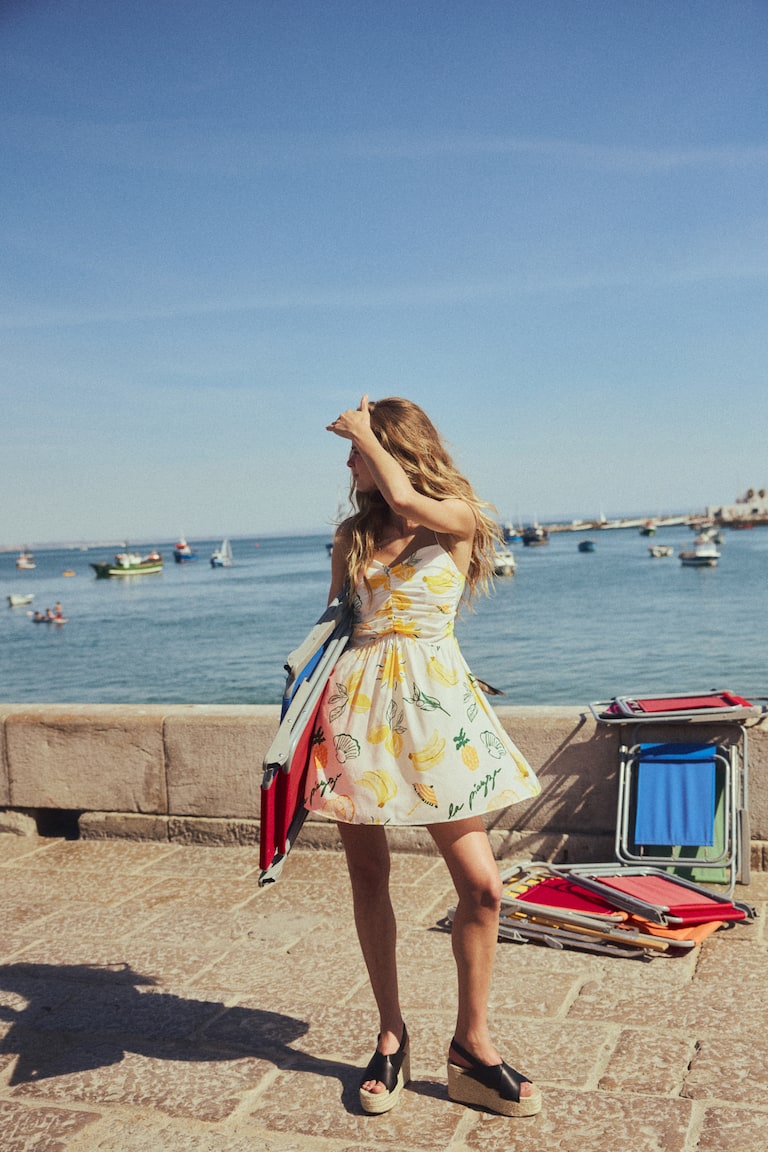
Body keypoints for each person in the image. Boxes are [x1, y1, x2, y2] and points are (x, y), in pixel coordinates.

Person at [304, 395, 542, 1118]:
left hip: (438, 716)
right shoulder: (351, 533)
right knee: (367, 875)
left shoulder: (457, 514)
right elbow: (333, 630)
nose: (349, 462)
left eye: (359, 449)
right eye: (351, 450)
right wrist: (306, 726)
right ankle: (390, 1033)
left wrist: (364, 432)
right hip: (356, 715)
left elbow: (407, 493)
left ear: (395, 447)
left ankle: (473, 1046)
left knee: (483, 888)